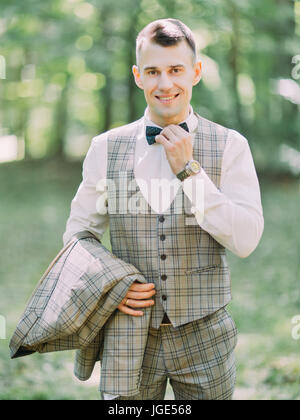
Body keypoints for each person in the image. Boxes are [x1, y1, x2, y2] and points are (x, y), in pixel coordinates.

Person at [63, 18, 264, 400]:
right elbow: (78, 236)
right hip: (127, 334)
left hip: (205, 336)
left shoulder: (230, 145)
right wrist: (109, 287)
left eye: (175, 70)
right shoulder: (104, 148)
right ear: (138, 76)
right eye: (153, 72)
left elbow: (247, 239)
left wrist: (191, 172)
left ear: (196, 72)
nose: (165, 84)